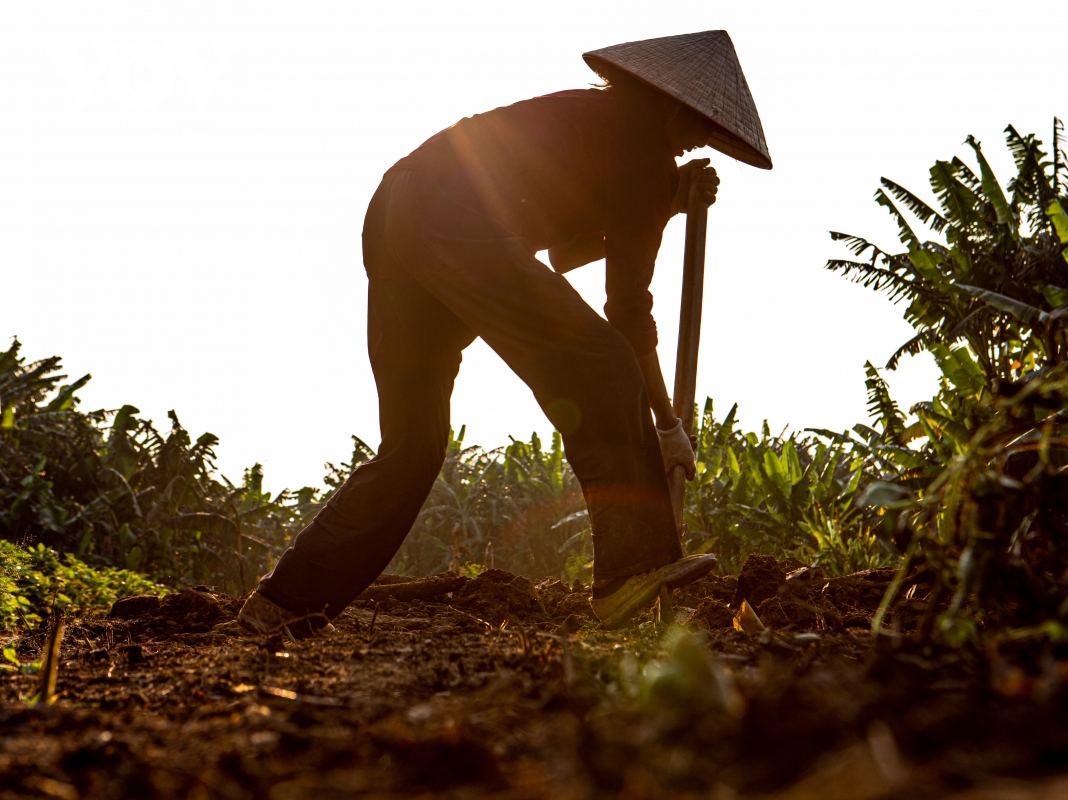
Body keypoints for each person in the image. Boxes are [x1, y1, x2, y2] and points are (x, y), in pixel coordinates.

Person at [237, 30, 772, 634]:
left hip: (398, 208)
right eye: (702, 128)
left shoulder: (595, 121)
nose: (701, 143)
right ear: (675, 107)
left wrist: (667, 203)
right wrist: (667, 427)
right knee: (604, 364)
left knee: (413, 449)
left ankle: (285, 602)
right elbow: (626, 309)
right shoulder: (646, 153)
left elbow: (561, 249)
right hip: (456, 222)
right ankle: (629, 572)